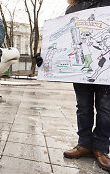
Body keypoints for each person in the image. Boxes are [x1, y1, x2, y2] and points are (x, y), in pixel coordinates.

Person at [35, 0, 110, 172]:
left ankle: (101, 148)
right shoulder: (73, 8)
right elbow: (63, 38)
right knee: (83, 107)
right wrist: (44, 54)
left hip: (105, 69)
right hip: (81, 69)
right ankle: (84, 144)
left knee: (105, 108)